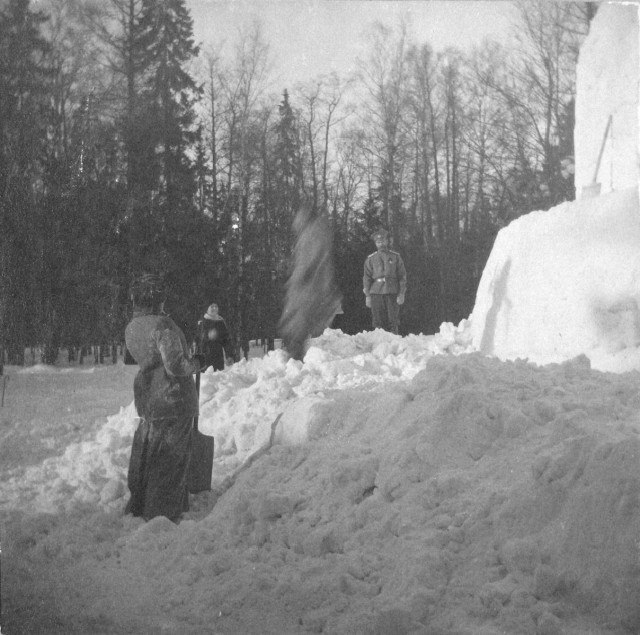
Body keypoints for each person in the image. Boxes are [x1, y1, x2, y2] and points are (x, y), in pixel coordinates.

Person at [124, 273, 205, 522]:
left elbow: (143, 359)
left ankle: (140, 504)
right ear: (155, 299)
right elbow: (176, 366)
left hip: (149, 397)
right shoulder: (162, 326)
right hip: (173, 398)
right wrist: (197, 363)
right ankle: (162, 513)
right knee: (171, 459)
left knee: (149, 454)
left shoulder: (132, 326)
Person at [363, 228, 407, 334]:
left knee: (393, 321)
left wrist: (401, 294)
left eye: (382, 241)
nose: (381, 244)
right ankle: (379, 346)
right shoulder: (370, 259)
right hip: (376, 292)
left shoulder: (395, 257)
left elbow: (402, 276)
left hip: (392, 291)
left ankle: (394, 344)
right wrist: (368, 296)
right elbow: (367, 278)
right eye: (378, 242)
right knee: (378, 322)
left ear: (387, 241)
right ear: (375, 244)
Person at [197, 303, 235, 371]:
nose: (214, 308)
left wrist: (229, 355)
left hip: (218, 359)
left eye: (216, 306)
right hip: (204, 359)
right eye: (212, 306)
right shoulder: (202, 322)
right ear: (207, 308)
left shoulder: (220, 322)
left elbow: (226, 340)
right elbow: (198, 341)